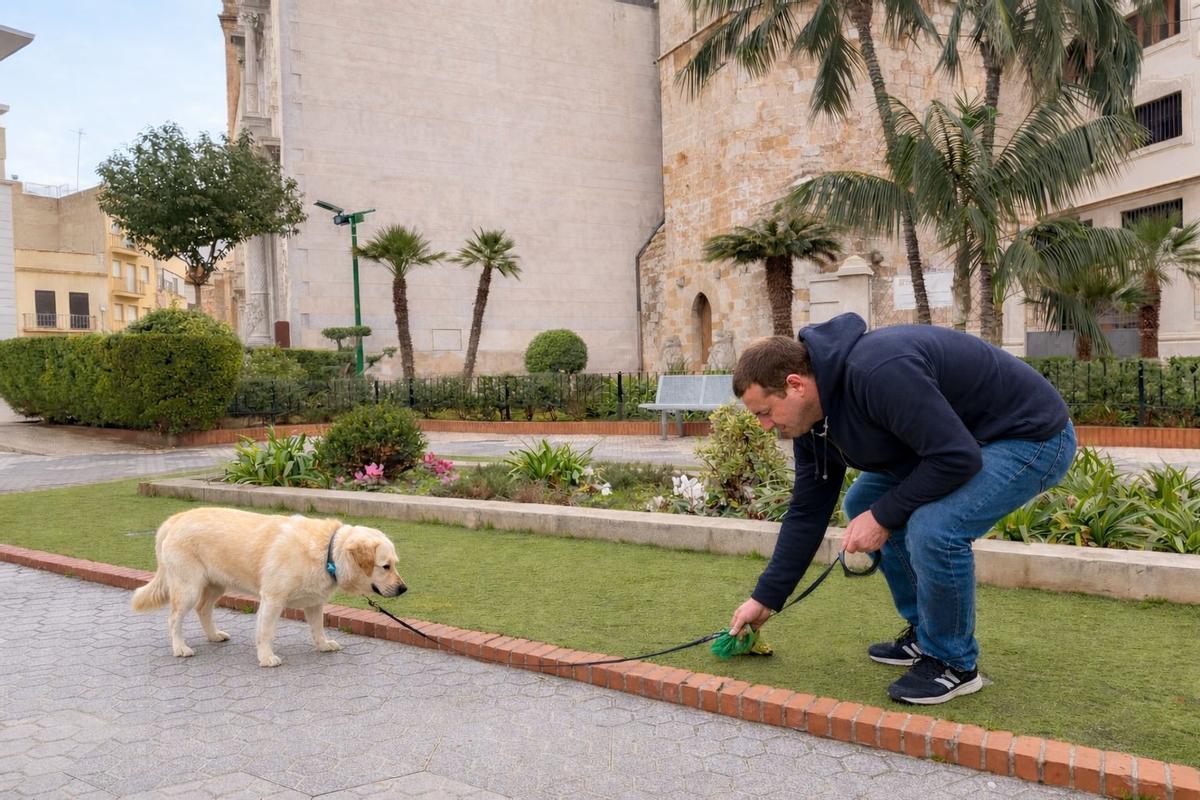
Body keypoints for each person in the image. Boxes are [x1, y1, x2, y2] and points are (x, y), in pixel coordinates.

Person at [728, 312, 1075, 704]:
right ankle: (924, 633)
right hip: (958, 441)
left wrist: (883, 518)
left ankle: (953, 662)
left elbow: (956, 458)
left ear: (795, 385)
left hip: (1030, 435)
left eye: (764, 412)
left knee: (935, 528)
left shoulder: (878, 371)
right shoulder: (812, 423)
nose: (764, 426)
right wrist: (765, 599)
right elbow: (808, 512)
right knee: (863, 501)